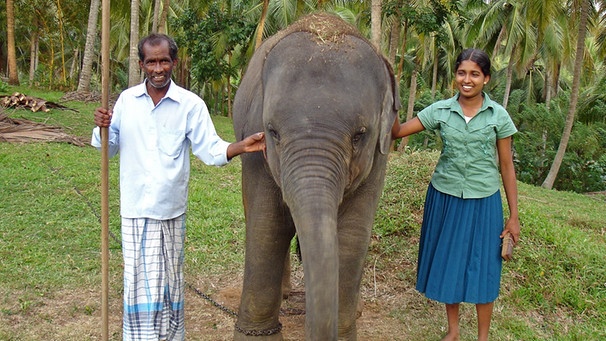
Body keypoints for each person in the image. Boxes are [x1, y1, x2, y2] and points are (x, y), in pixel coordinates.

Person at [91, 33, 265, 341]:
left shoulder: (190, 105)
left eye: (164, 61)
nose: (158, 69)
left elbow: (210, 149)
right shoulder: (127, 103)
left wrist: (241, 146)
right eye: (151, 62)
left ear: (174, 62)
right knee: (140, 285)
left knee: (170, 283)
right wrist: (103, 127)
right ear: (141, 64)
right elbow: (109, 149)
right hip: (136, 210)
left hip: (171, 210)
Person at [391, 48, 520, 341]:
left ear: (486, 78)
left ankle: (482, 337)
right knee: (451, 262)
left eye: (475, 74)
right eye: (462, 73)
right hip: (445, 196)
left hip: (484, 200)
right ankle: (453, 331)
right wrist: (386, 104)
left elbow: (506, 165)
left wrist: (513, 216)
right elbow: (398, 132)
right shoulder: (440, 110)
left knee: (483, 267)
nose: (467, 79)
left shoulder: (498, 115)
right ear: (455, 76)